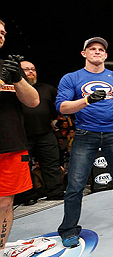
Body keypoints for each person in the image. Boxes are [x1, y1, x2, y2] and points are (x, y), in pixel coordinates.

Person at [55, 37, 113, 249]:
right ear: (84, 53)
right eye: (92, 49)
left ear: (106, 55)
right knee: (75, 185)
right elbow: (62, 107)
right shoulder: (71, 78)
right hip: (85, 134)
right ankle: (68, 229)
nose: (97, 52)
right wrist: (86, 100)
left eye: (101, 49)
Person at [0, 19, 40, 257]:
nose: (1, 36)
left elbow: (33, 100)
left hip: (9, 143)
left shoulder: (8, 66)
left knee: (4, 202)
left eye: (3, 32)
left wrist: (16, 77)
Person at [20, 61, 65, 202]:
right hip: (21, 135)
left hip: (45, 132)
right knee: (24, 167)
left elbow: (62, 101)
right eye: (26, 69)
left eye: (33, 69)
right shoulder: (12, 88)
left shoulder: (46, 88)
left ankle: (56, 192)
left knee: (51, 163)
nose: (31, 72)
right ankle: (28, 196)